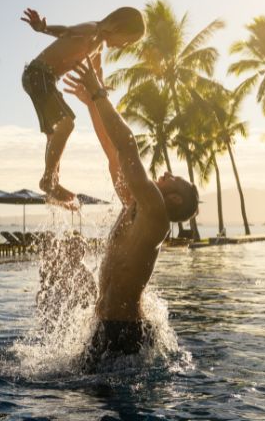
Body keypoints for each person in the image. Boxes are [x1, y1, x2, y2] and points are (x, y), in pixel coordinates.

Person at [63, 59, 199, 368]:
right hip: (106, 326)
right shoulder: (137, 204)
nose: (165, 172)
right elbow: (115, 154)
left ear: (175, 198)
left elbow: (128, 144)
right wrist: (90, 105)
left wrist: (100, 94)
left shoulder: (156, 214)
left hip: (123, 332)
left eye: (172, 177)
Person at [21, 7, 145, 207]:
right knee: (66, 124)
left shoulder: (97, 48)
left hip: (43, 79)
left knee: (55, 134)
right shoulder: (92, 30)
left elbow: (96, 72)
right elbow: (66, 31)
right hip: (38, 75)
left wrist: (101, 90)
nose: (125, 46)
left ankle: (52, 183)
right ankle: (48, 179)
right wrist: (43, 28)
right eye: (127, 40)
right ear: (116, 27)